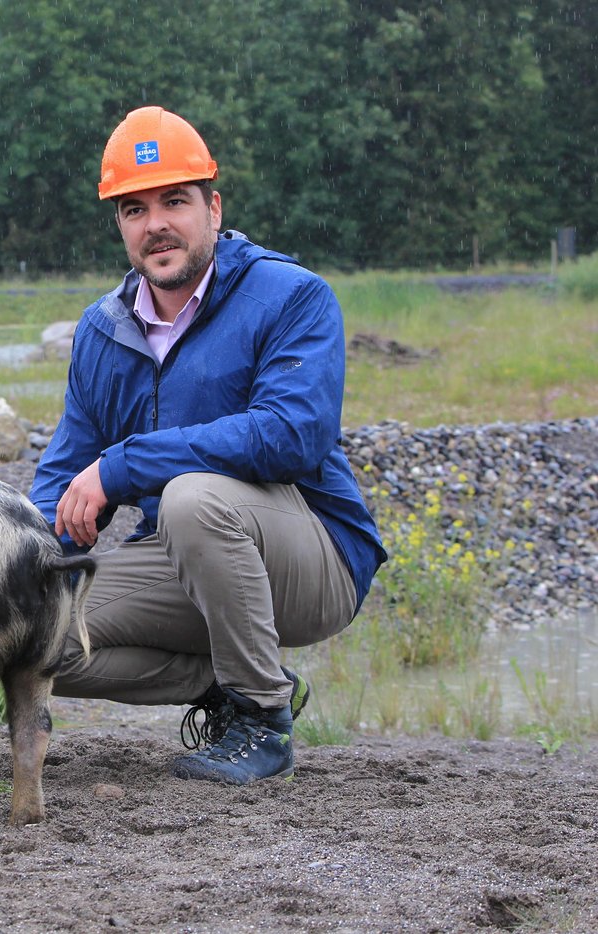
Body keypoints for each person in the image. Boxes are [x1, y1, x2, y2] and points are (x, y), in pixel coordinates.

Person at [29, 105, 387, 784]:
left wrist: (126, 465)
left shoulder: (292, 297)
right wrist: (17, 560)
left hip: (313, 555)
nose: (156, 222)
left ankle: (260, 722)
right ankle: (226, 682)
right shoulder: (103, 332)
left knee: (193, 498)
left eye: (175, 201)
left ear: (213, 208)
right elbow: (64, 471)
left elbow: (291, 437)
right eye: (134, 208)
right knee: (32, 629)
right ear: (120, 226)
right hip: (182, 561)